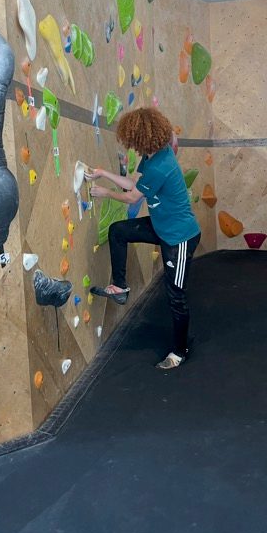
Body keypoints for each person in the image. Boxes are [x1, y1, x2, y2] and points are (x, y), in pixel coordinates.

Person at [86, 107, 201, 370]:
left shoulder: (161, 164)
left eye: (133, 141)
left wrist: (105, 192)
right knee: (118, 231)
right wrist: (103, 173)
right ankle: (121, 287)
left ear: (141, 139)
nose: (133, 147)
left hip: (180, 237)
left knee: (175, 295)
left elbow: (131, 197)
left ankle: (179, 352)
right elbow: (133, 184)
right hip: (162, 226)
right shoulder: (151, 157)